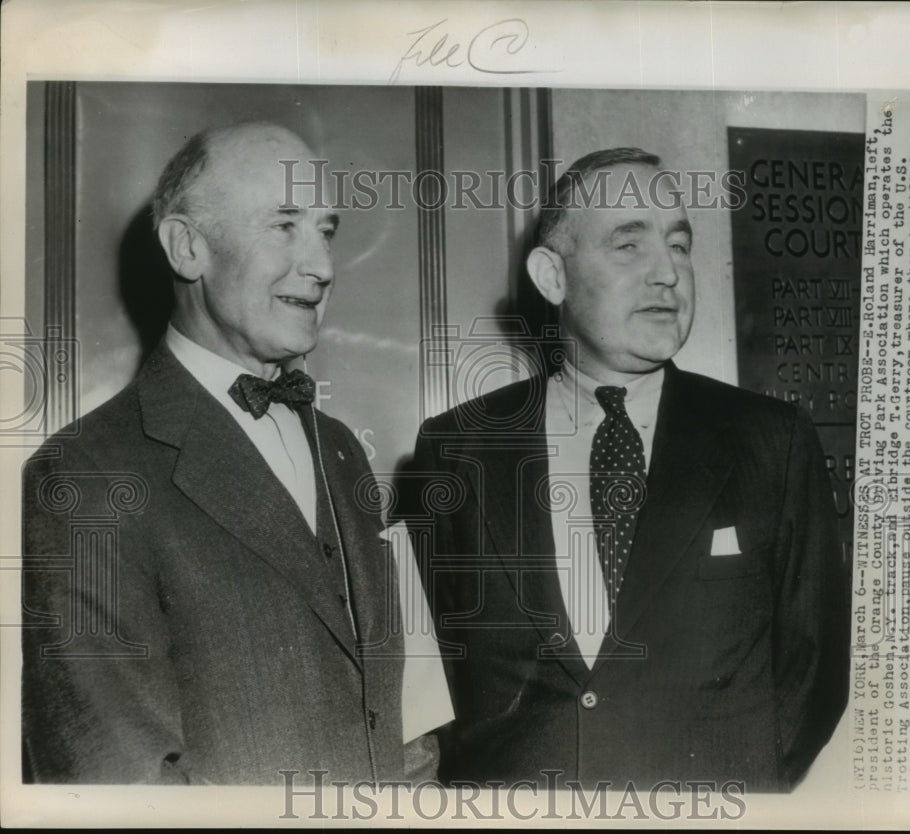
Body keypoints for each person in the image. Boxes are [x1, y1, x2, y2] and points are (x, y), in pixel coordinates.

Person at [405, 147, 851, 792]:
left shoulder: (770, 440)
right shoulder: (455, 448)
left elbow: (815, 672)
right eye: (628, 245)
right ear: (551, 276)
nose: (668, 272)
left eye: (679, 244)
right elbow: (429, 681)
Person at [21, 122, 408, 785]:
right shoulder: (85, 474)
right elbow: (116, 782)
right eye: (285, 226)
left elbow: (407, 719)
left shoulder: (339, 448)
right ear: (188, 247)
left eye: (326, 230)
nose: (322, 267)